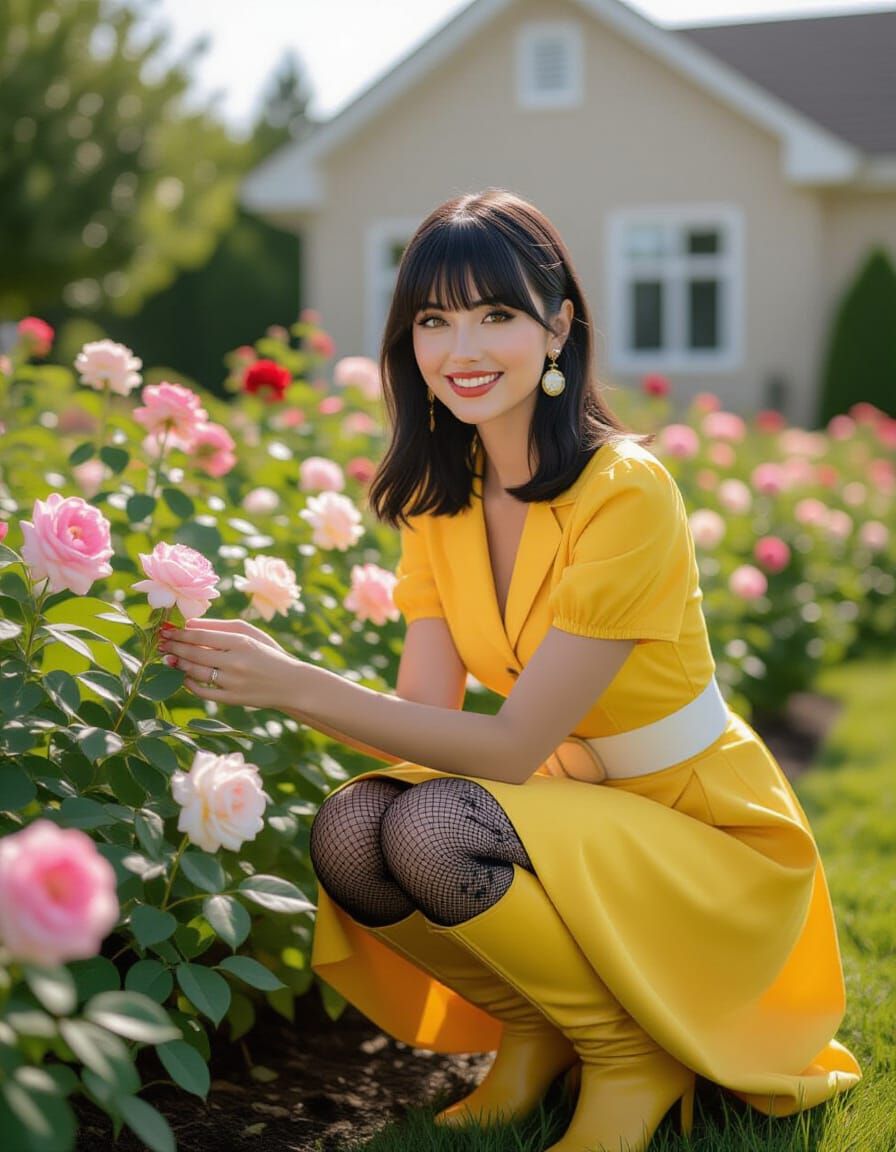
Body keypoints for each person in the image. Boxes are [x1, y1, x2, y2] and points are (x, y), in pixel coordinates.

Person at [159, 189, 861, 1152]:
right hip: (565, 806)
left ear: (558, 325)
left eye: (496, 315)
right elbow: (423, 720)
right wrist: (283, 676)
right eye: (434, 321)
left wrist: (298, 686)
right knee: (359, 825)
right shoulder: (440, 502)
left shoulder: (626, 492)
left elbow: (512, 744)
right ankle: (541, 1028)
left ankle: (627, 1056)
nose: (463, 349)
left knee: (438, 826)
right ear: (408, 344)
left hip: (697, 828)